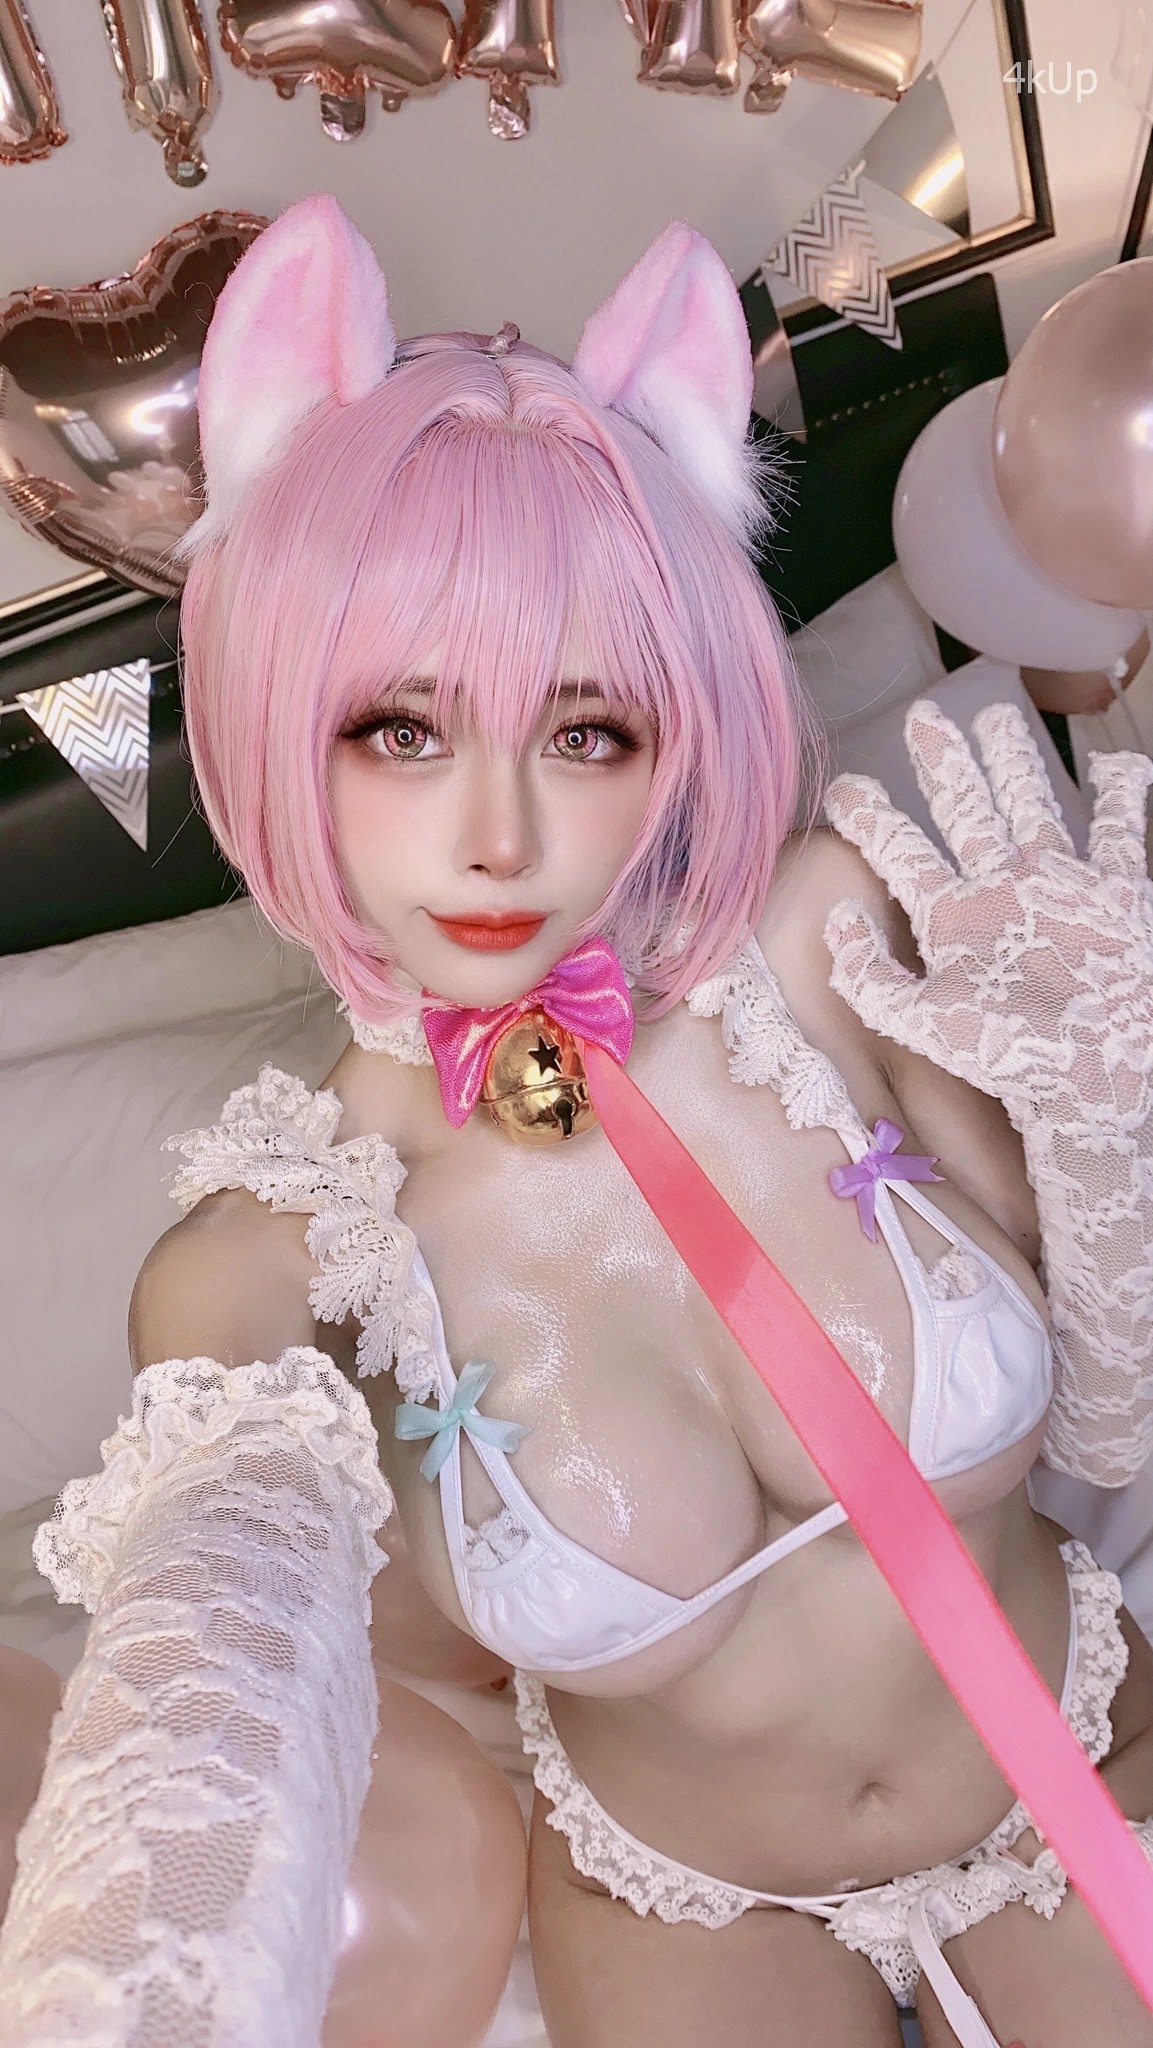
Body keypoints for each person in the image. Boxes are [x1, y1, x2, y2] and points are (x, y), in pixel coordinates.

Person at [3, 194, 1152, 2048]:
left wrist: (1110, 1130)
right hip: (684, 1904)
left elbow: (1107, 1408)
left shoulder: (833, 929)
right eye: (399, 729)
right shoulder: (255, 1258)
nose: (498, 838)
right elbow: (209, 1702)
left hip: (1078, 1750)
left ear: (679, 728)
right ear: (279, 715)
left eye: (588, 732)